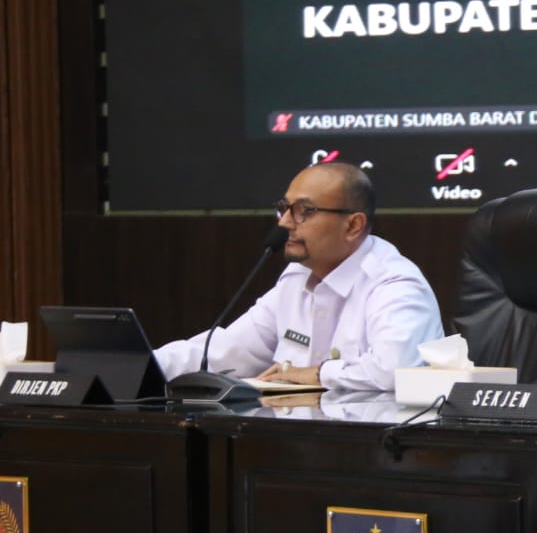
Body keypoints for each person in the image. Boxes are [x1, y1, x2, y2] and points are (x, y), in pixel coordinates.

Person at [154, 162, 444, 393]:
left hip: (378, 442)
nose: (285, 223)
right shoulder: (296, 278)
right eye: (284, 208)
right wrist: (143, 363)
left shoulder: (395, 284)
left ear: (353, 226)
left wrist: (317, 373)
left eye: (305, 211)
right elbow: (227, 351)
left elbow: (394, 371)